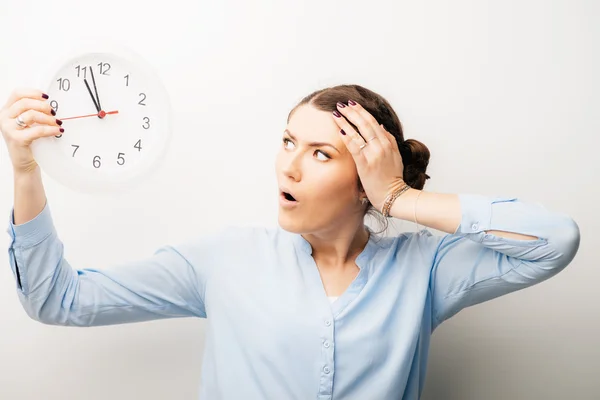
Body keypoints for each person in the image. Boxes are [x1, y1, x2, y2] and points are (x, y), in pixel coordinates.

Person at [1, 84, 580, 400]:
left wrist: (400, 198)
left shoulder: (424, 271)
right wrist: (26, 169)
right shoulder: (223, 261)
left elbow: (554, 241)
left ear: (365, 182)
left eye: (320, 154)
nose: (289, 169)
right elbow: (60, 301)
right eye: (287, 141)